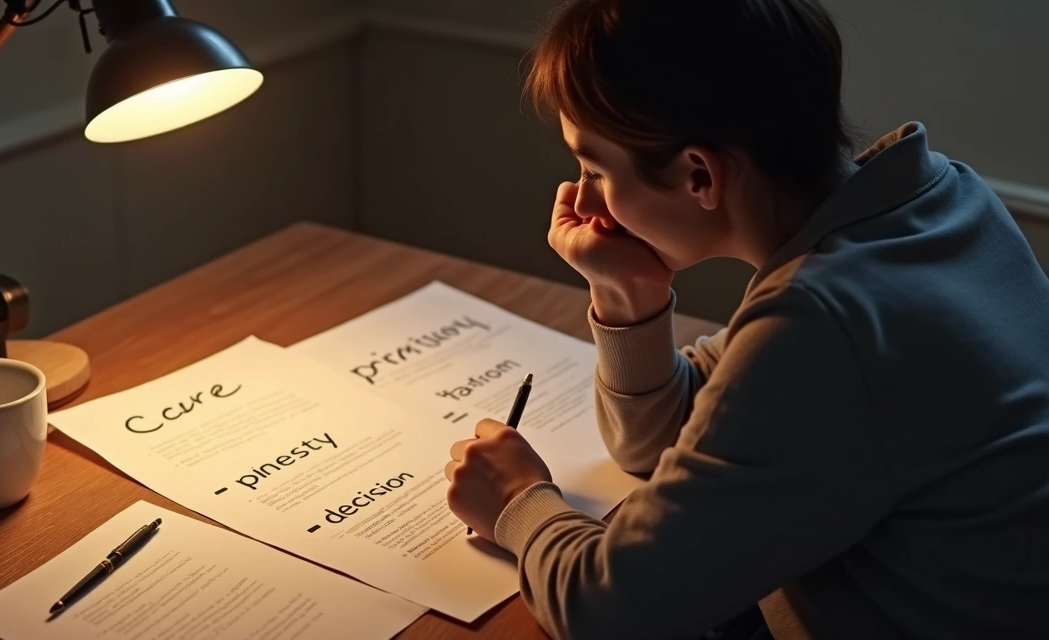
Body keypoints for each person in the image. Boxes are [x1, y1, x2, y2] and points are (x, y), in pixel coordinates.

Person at [441, 1, 1049, 638]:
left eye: (595, 168)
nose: (583, 201)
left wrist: (516, 503)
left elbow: (608, 611)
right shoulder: (936, 198)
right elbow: (661, 442)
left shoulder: (823, 317)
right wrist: (627, 292)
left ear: (699, 173)